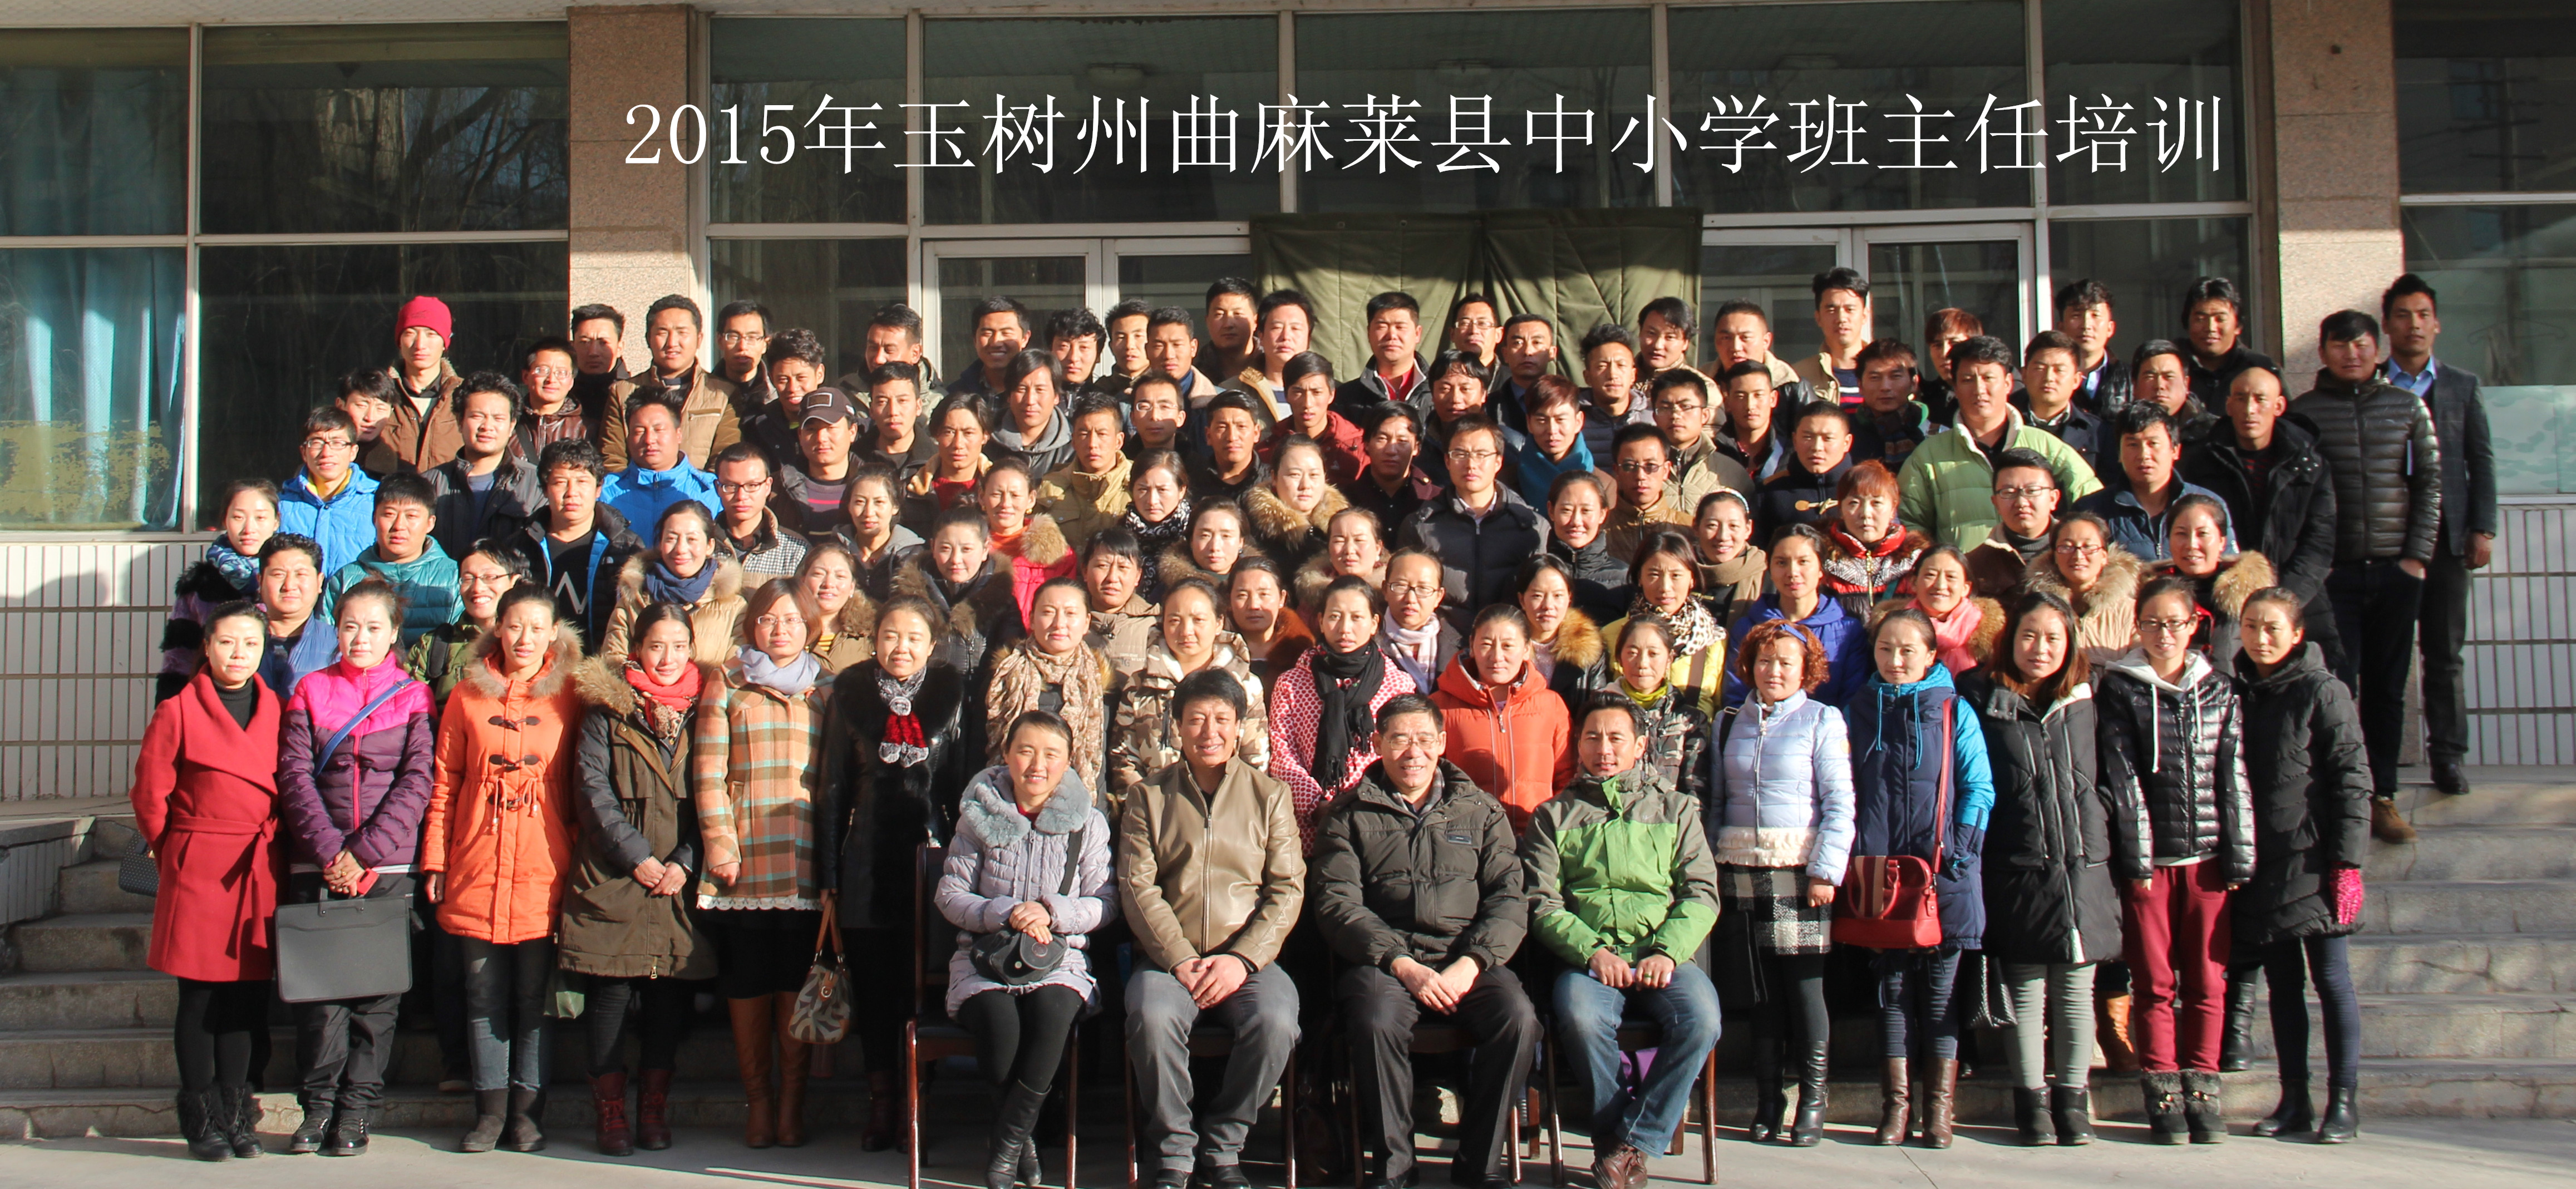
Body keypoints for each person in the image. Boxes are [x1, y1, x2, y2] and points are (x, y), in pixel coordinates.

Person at [1311, 694, 1538, 1189]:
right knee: (1374, 1020)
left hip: (1466, 959)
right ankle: (1394, 1169)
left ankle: (1480, 1165)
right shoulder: (1348, 814)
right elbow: (1336, 903)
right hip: (1385, 963)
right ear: (1377, 744)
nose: (1411, 752)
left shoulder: (1480, 810)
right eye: (1398, 739)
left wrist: (1472, 961)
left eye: (1422, 739)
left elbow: (1509, 898)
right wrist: (1400, 962)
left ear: (1441, 742)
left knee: (1518, 1019)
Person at [1959, 590, 2134, 1147]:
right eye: (2029, 635)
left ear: (2070, 643)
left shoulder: (2092, 696)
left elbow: (2115, 779)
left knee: (2076, 992)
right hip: (2017, 865)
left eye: (2053, 637)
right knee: (2027, 993)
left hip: (2083, 866)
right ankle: (2031, 1102)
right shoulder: (1981, 697)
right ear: (2010, 638)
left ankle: (2073, 1102)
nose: (2040, 648)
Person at [1524, 695, 1721, 1189]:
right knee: (1580, 1017)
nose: (1603, 749)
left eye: (1616, 738)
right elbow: (1541, 902)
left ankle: (1628, 1144)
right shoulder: (1553, 815)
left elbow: (1700, 893)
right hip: (1590, 960)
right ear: (1578, 744)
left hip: (1662, 955)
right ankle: (1617, 1145)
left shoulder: (1676, 808)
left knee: (1702, 1020)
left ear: (1640, 745)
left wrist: (1667, 950)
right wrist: (1592, 951)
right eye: (1592, 737)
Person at [1120, 669, 1307, 1189]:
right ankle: (1175, 1151)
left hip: (1246, 960)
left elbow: (1287, 888)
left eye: (1222, 719)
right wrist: (1179, 957)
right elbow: (1138, 886)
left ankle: (1224, 1145)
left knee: (1276, 1021)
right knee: (1151, 1017)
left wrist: (1242, 959)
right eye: (1196, 719)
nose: (1209, 731)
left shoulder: (1269, 795)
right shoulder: (1148, 796)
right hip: (1168, 960)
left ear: (1239, 725)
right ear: (1177, 726)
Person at [275, 578, 436, 1156]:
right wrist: (329, 852)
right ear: (335, 630)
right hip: (317, 862)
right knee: (321, 1000)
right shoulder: (309, 689)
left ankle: (357, 1112)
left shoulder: (414, 696)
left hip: (388, 865)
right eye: (350, 626)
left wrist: (364, 854)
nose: (360, 638)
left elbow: (418, 780)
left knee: (376, 1000)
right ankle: (316, 1108)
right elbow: (294, 776)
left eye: (373, 627)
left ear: (394, 633)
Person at [421, 585, 582, 1154]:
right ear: (498, 628)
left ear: (554, 632)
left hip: (544, 861)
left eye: (537, 627)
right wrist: (436, 858)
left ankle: (528, 1113)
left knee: (534, 997)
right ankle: (489, 1112)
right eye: (515, 626)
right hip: (477, 858)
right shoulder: (467, 694)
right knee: (483, 992)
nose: (525, 638)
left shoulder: (572, 694)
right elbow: (445, 781)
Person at [816, 594, 980, 1150]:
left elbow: (963, 790)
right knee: (876, 992)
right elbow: (832, 788)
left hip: (932, 866)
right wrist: (829, 873)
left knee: (923, 990)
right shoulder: (851, 694)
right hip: (866, 864)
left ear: (932, 646)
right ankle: (883, 1102)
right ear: (874, 639)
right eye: (890, 635)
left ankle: (919, 1101)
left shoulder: (951, 696)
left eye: (913, 637)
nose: (901, 647)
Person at [2097, 575, 2253, 1146]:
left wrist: (2240, 853)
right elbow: (2122, 778)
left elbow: (2233, 774)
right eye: (2152, 623)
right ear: (2137, 626)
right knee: (2154, 979)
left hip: (2208, 858)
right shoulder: (2120, 688)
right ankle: (2161, 1087)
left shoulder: (2220, 689)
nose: (2163, 634)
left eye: (2174, 623)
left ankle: (2203, 1086)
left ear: (2194, 625)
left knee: (2208, 979)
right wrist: (2137, 858)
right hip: (2150, 861)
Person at [940, 710, 1119, 1189]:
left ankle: (1004, 1149)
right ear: (1006, 755)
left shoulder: (1088, 823)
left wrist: (1051, 912)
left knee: (1052, 1013)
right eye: (1025, 751)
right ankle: (1022, 1142)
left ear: (1068, 762)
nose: (1037, 765)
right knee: (1000, 1032)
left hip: (1057, 958)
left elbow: (1105, 903)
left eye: (1051, 754)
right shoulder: (978, 816)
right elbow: (950, 894)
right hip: (986, 956)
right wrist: (1003, 912)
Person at [562, 603, 713, 1156]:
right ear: (637, 650)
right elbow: (591, 788)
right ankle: (610, 1112)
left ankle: (653, 1109)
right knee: (611, 991)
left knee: (667, 995)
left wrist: (685, 861)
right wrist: (637, 857)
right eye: (656, 646)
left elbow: (717, 788)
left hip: (678, 877)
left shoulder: (707, 707)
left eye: (678, 646)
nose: (667, 657)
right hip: (614, 872)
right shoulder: (607, 706)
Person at [132, 601, 282, 1161]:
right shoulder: (178, 710)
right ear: (207, 646)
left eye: (251, 643)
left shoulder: (278, 708)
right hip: (199, 865)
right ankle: (199, 1117)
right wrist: (174, 851)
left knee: (244, 998)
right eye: (227, 642)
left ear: (263, 649)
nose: (239, 653)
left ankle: (237, 1113)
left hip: (257, 865)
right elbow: (150, 794)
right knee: (198, 997)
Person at [1842, 609, 1993, 1148]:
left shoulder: (1953, 709)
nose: (1896, 659)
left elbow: (1978, 786)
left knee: (1940, 994)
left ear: (1932, 654)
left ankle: (1938, 1110)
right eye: (1886, 649)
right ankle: (1896, 1107)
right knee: (1892, 990)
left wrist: (1962, 850)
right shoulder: (1858, 709)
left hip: (1944, 871)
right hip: (1881, 875)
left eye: (1908, 650)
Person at [2289, 309, 2439, 844]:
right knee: (2336, 685)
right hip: (2334, 577)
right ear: (2323, 352)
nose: (2350, 354)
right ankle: (2339, 794)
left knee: (2387, 688)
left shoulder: (2407, 407)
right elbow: (2299, 496)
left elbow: (2430, 483)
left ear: (2377, 349)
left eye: (2360, 344)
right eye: (2339, 345)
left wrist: (2415, 558)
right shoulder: (2304, 413)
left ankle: (2383, 797)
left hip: (2395, 570)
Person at [693, 579, 831, 1148]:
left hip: (805, 853)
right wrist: (719, 842)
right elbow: (708, 770)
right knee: (748, 975)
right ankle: (759, 1102)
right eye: (769, 619)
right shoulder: (728, 679)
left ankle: (792, 1104)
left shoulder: (826, 687)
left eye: (792, 619)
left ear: (810, 626)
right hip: (745, 853)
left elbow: (836, 778)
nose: (780, 630)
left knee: (795, 978)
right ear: (751, 625)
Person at [2231, 586, 2371, 1144]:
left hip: (2315, 859)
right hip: (2263, 861)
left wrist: (2347, 861)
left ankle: (2344, 1100)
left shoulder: (2322, 690)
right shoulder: (2237, 691)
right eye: (2250, 626)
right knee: (2283, 986)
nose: (2260, 638)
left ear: (2296, 634)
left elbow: (2351, 779)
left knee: (2331, 980)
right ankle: (2295, 1098)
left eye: (2272, 628)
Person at [1711, 620, 1855, 1146]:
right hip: (1740, 868)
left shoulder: (1822, 719)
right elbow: (1718, 799)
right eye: (1764, 660)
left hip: (1799, 870)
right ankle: (1768, 1099)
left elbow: (1840, 802)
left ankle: (1812, 1100)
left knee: (1804, 988)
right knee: (1761, 992)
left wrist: (1825, 870)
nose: (1774, 671)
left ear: (1805, 669)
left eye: (1786, 662)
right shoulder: (1728, 721)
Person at [2382, 274, 2496, 800]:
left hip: (2447, 539)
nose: (2414, 324)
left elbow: (2480, 460)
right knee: (2387, 653)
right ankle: (2381, 759)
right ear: (2387, 326)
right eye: (2403, 315)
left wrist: (2482, 527)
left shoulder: (2460, 386)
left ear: (2437, 324)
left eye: (2422, 314)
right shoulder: (2373, 384)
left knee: (2444, 653)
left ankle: (2448, 756)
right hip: (2387, 537)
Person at [2178, 364, 2339, 667]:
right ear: (2228, 405)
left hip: (2300, 601)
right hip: (2226, 605)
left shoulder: (2309, 465)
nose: (2250, 409)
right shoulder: (2203, 461)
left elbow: (2319, 544)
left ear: (2279, 406)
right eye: (2240, 398)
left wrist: (2282, 601)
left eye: (2260, 399)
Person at [1897, 335, 2101, 550]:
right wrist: (1939, 562)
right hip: (1965, 570)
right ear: (1955, 387)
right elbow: (1908, 523)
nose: (1979, 389)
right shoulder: (1929, 456)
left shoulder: (2046, 446)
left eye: (1988, 378)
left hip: (2039, 568)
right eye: (1968, 380)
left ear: (2008, 383)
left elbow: (2094, 505)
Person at [1110, 577, 1272, 816]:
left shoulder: (1246, 684)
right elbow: (1124, 757)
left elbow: (1255, 759)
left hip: (1228, 816)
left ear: (1219, 623)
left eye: (1198, 620)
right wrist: (1148, 810)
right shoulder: (1140, 685)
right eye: (1175, 620)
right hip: (1155, 816)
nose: (1186, 631)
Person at [1271, 576, 1421, 833]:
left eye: (1357, 618)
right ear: (1320, 621)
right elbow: (1283, 752)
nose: (1345, 628)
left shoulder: (1397, 684)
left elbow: (1403, 750)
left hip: (1379, 820)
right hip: (1309, 822)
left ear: (1374, 623)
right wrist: (1315, 804)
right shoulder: (1292, 683)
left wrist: (1367, 801)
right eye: (1335, 617)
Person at [1430, 604, 1574, 830]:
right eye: (1486, 645)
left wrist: (1553, 828)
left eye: (1508, 646)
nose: (1497, 657)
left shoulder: (1551, 705)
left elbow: (1567, 775)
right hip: (1469, 836)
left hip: (1537, 836)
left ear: (1526, 649)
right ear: (1472, 645)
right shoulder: (1441, 706)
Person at [1399, 416, 1546, 633]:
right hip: (1439, 643)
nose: (1471, 464)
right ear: (1447, 461)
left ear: (1498, 461)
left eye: (1481, 454)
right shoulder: (1420, 526)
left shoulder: (1531, 527)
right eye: (1460, 454)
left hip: (1506, 642)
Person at [895, 509, 1025, 747]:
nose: (956, 560)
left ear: (985, 550)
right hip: (920, 711)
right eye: (946, 549)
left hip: (980, 712)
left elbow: (1011, 659)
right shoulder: (908, 597)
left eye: (967, 550)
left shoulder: (1002, 601)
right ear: (933, 547)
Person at [510, 439, 646, 650]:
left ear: (599, 488)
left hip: (601, 663)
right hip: (536, 662)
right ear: (545, 489)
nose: (572, 492)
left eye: (582, 481)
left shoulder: (624, 547)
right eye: (560, 482)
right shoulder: (521, 546)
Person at [159, 480, 279, 703]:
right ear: (225, 519)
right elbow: (179, 658)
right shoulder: (201, 584)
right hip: (214, 702)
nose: (249, 529)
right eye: (238, 517)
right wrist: (170, 708)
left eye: (260, 517)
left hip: (279, 701)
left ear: (276, 521)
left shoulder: (291, 578)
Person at [985, 577, 1112, 789]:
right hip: (1007, 794)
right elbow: (980, 748)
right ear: (1032, 619)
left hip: (1078, 798)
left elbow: (1101, 759)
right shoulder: (1005, 677)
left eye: (1071, 614)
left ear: (1086, 623)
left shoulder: (1099, 683)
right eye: (1048, 612)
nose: (1059, 623)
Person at [1726, 525, 1866, 709]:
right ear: (1769, 569)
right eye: (1782, 563)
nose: (1792, 572)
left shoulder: (1848, 631)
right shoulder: (1749, 628)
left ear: (1821, 568)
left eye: (1803, 562)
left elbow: (1853, 701)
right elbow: (1737, 696)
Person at [2071, 403, 2233, 561]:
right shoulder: (2091, 511)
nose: (2144, 455)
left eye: (2153, 444)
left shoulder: (2209, 505)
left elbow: (2230, 566)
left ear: (2175, 450)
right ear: (2119, 453)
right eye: (2133, 445)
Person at [599, 294, 745, 470]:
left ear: (699, 339)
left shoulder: (723, 394)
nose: (672, 343)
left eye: (682, 333)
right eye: (662, 333)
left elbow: (725, 460)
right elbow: (613, 459)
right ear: (648, 339)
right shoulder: (622, 392)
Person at [316, 473, 461, 647]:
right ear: (374, 519)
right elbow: (325, 645)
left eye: (411, 516)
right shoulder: (346, 578)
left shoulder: (454, 577)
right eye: (389, 514)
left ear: (430, 523)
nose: (399, 526)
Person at [1598, 528, 1728, 717]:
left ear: (1692, 579)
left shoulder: (1713, 642)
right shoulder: (1610, 636)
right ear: (1640, 577)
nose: (1665, 587)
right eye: (1654, 575)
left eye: (1676, 576)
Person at [602, 501, 748, 667]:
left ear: (710, 546)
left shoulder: (735, 608)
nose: (680, 549)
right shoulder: (633, 599)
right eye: (671, 539)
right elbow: (613, 662)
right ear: (660, 543)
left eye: (692, 539)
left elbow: (735, 672)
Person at [424, 373, 543, 561]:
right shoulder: (429, 484)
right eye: (477, 416)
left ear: (512, 425)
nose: (487, 426)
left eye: (498, 418)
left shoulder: (537, 485)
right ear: (460, 421)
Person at [2154, 494, 2276, 665]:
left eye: (2203, 534)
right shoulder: (2150, 594)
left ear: (2222, 542)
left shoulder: (2253, 597)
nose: (2191, 544)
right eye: (2181, 534)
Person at [1605, 614, 1708, 803]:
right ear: (1619, 657)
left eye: (1653, 654)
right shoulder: (1598, 713)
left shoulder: (1689, 720)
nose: (1642, 664)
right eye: (1632, 653)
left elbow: (1695, 791)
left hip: (1669, 818)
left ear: (1669, 658)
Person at [404, 544, 527, 702]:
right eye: (468, 579)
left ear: (513, 581)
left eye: (490, 577)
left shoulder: (532, 641)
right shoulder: (434, 646)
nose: (477, 588)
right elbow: (411, 705)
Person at [2022, 514, 2144, 663]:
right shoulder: (2034, 609)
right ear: (2054, 556)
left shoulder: (2131, 612)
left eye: (2088, 547)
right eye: (2067, 547)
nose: (2078, 556)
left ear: (2104, 556)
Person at [368, 296, 468, 476]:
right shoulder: (377, 394)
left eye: (431, 334)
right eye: (410, 333)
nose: (420, 345)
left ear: (445, 343)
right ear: (399, 341)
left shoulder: (466, 395)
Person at [280, 406, 382, 575]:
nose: (326, 453)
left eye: (337, 443)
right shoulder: (282, 504)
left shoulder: (377, 501)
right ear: (304, 452)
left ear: (353, 452)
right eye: (317, 443)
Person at [1819, 460, 1928, 618]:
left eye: (1876, 503)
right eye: (1854, 503)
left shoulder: (1918, 562)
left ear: (1893, 509)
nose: (1865, 513)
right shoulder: (1820, 559)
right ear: (1841, 509)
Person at [977, 457, 1077, 626]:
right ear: (982, 497)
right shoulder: (966, 550)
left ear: (1031, 499)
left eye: (1015, 495)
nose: (1005, 504)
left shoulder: (1058, 557)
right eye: (996, 494)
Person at [602, 394, 722, 532]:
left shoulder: (712, 491)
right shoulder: (606, 491)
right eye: (639, 431)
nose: (649, 440)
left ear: (679, 434)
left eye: (659, 430)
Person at [1959, 448, 2065, 598]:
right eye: (2009, 493)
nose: (2021, 502)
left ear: (2053, 498)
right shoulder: (1974, 565)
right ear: (1996, 503)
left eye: (2032, 491)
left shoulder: (2079, 552)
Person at [1038, 392, 1135, 552]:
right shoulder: (1050, 488)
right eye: (1084, 434)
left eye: (1102, 434)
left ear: (1119, 441)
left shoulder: (1139, 484)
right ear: (1074, 441)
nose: (1092, 444)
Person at [1885, 545, 2001, 675]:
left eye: (1951, 577)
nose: (1940, 585)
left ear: (1966, 588)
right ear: (1914, 582)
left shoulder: (1993, 636)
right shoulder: (1888, 628)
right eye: (1930, 575)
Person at [1754, 401, 1855, 544]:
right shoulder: (1770, 494)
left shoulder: (1863, 488)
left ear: (1847, 443)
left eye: (1828, 438)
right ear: (1795, 441)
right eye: (1808, 437)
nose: (1817, 447)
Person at [1259, 352, 1368, 485]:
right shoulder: (1269, 449)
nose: (1308, 403)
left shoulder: (1358, 447)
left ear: (1331, 395)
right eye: (1298, 392)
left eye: (1316, 392)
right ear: (1286, 395)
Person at [1245, 437, 1348, 578]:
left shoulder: (1345, 525)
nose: (1305, 485)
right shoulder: (1251, 530)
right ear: (1274, 477)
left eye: (1314, 475)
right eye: (1295, 475)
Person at [2017, 331, 2112, 479]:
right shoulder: (2006, 424)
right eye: (2040, 369)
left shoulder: (2098, 432)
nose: (2049, 378)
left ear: (2076, 380)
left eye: (2059, 370)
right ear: (2024, 375)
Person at [1343, 404, 1443, 544]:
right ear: (1366, 444)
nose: (1391, 450)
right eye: (1382, 439)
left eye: (1402, 441)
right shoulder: (1345, 500)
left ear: (1416, 447)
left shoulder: (1437, 500)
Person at [709, 442, 810, 579]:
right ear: (718, 488)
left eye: (752, 485)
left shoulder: (796, 552)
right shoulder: (700, 546)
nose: (741, 496)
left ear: (768, 486)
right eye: (731, 486)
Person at [774, 386, 863, 541]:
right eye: (811, 429)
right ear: (800, 435)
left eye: (830, 428)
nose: (821, 438)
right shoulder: (776, 489)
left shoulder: (876, 486)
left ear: (852, 432)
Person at [1662, 367, 1759, 503]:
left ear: (1705, 415)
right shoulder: (1641, 471)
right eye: (1665, 408)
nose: (1675, 415)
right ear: (1654, 415)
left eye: (1686, 407)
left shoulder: (1732, 473)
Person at [1519, 554, 1607, 705]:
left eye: (1558, 595)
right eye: (1537, 596)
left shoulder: (1589, 651)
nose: (1548, 606)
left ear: (1569, 599)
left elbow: (1595, 708)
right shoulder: (1505, 649)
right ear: (1522, 600)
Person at [257, 535, 337, 697]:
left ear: (319, 582)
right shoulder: (236, 641)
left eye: (301, 574)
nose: (289, 586)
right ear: (260, 581)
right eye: (278, 574)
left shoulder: (338, 644)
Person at [1602, 423, 1693, 565]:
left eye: (1650, 466)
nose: (1640, 476)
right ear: (1617, 471)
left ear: (1666, 470)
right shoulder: (1599, 528)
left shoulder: (1689, 528)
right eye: (1629, 466)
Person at [1544, 471, 1629, 623]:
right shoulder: (1529, 575)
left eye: (1586, 511)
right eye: (1566, 510)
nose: (1576, 521)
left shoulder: (1625, 579)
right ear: (1551, 511)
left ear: (1602, 514)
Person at [2179, 278, 2278, 407]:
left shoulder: (2261, 367)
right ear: (2187, 324)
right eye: (2200, 319)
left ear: (2238, 326)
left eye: (2220, 319)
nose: (2210, 328)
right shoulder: (2172, 365)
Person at [903, 394, 996, 533]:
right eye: (949, 432)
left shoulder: (998, 489)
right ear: (937, 435)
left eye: (968, 433)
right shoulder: (910, 489)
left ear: (985, 436)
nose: (958, 444)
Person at [1333, 292, 1429, 421]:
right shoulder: (1346, 397)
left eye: (1400, 327)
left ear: (1417, 334)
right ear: (1369, 333)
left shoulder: (1439, 391)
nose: (1392, 335)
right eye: (1382, 327)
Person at [738, 326, 821, 470]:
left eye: (801, 378)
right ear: (772, 378)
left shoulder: (839, 424)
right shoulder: (757, 429)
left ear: (819, 374)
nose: (792, 388)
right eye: (783, 380)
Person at [1377, 549, 1460, 694]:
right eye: (1401, 586)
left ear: (1439, 596)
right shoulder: (1368, 643)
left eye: (1423, 589)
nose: (1411, 599)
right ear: (1385, 589)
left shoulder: (1459, 648)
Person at [1225, 291, 1316, 423]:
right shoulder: (1232, 391)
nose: (1286, 337)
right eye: (1277, 328)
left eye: (1295, 329)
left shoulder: (1332, 393)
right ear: (1261, 335)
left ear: (1309, 338)